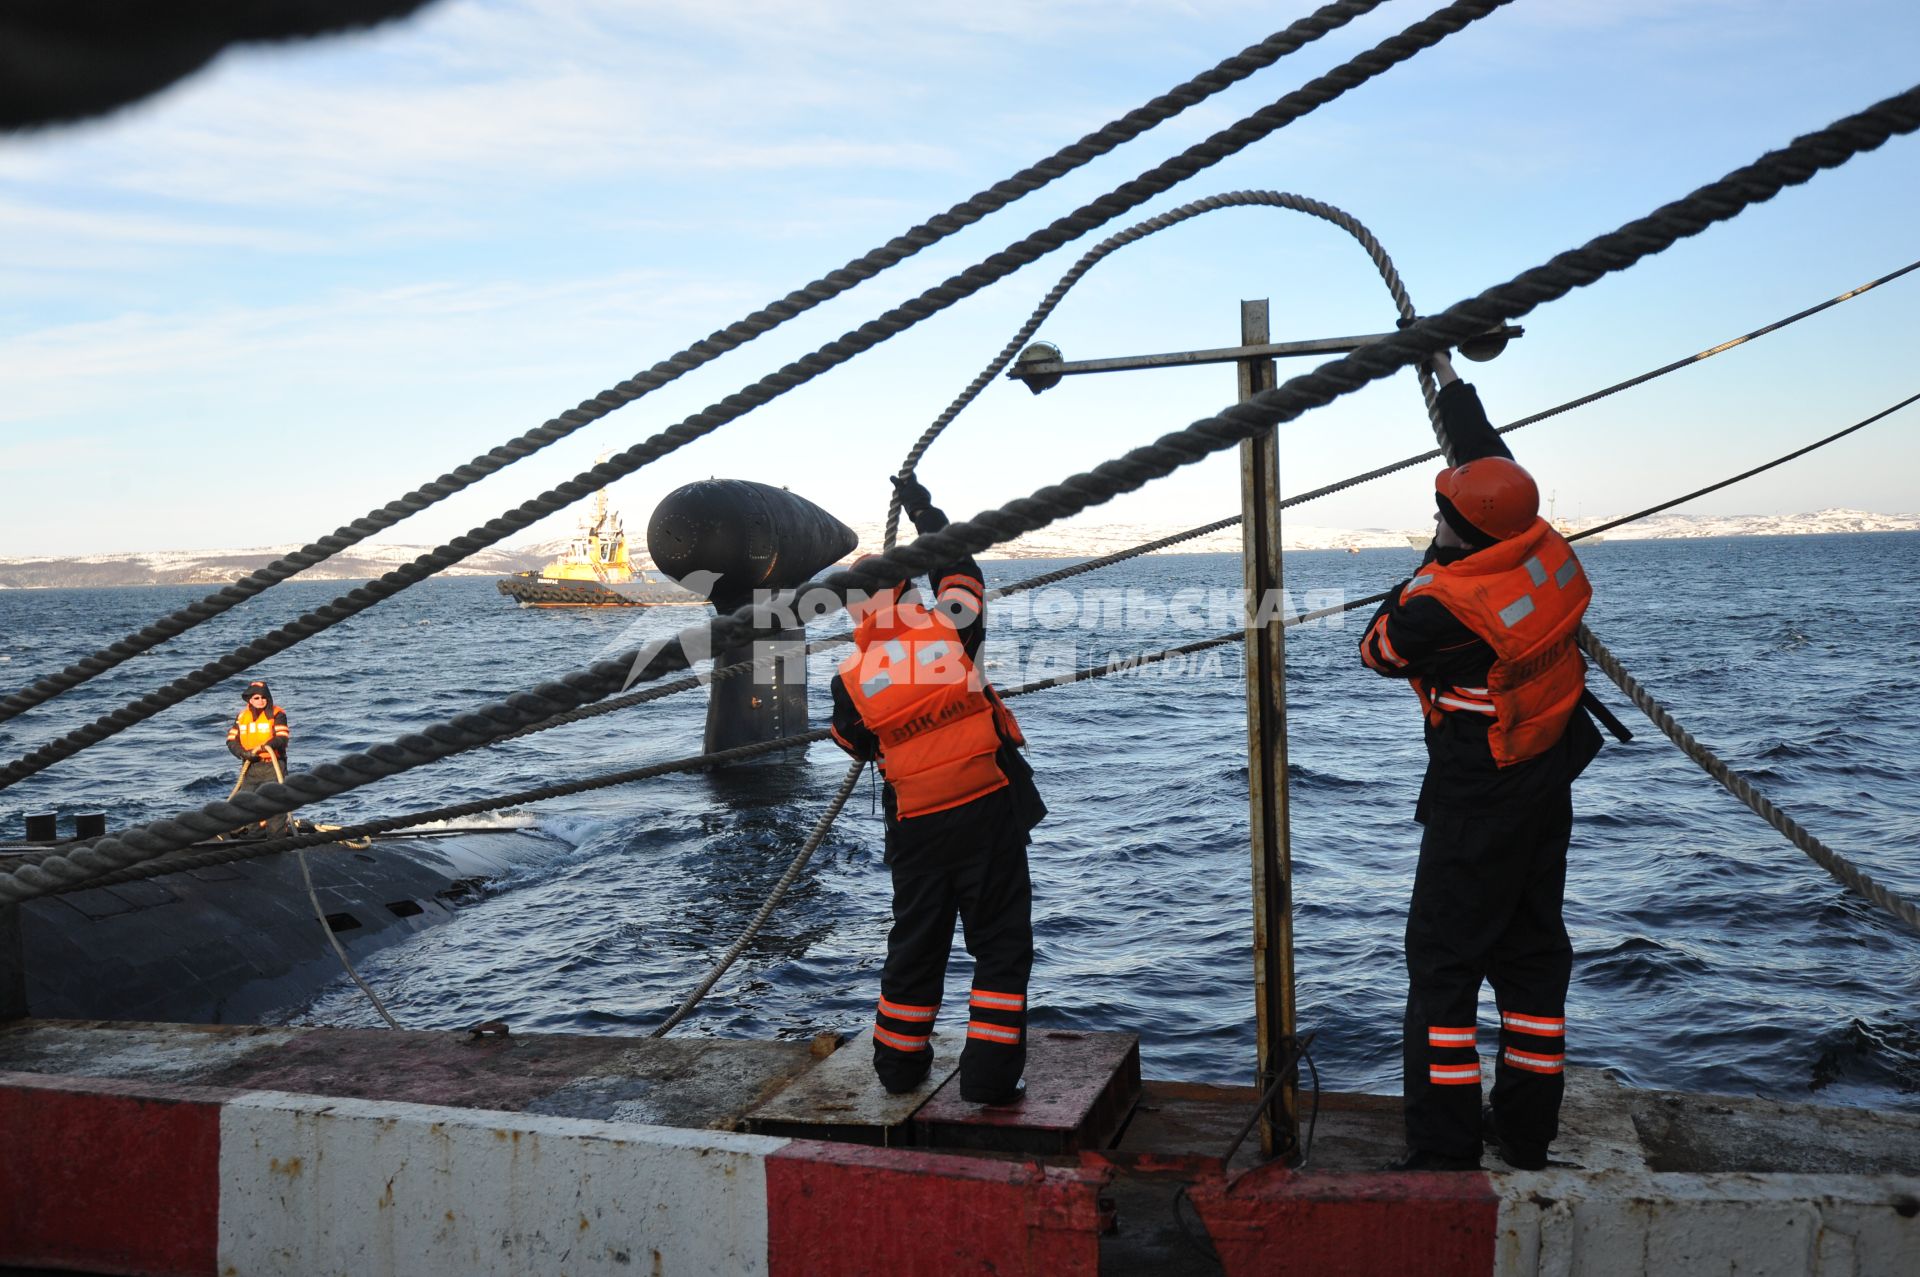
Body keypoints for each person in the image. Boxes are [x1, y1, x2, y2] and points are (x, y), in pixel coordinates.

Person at [1359, 350, 1619, 1172]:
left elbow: (1378, 648)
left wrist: (1430, 565)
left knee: (1443, 963)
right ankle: (1528, 1133)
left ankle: (1442, 1145)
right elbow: (1493, 470)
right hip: (1546, 773)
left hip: (1480, 792)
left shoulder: (1447, 603)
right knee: (1534, 955)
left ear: (1460, 532)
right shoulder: (1536, 541)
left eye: (1443, 518)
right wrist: (1447, 378)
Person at [829, 476, 1046, 1105]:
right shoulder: (951, 630)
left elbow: (855, 744)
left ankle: (898, 1070)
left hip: (916, 829)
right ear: (907, 586)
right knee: (1000, 948)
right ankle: (989, 1081)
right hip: (987, 812)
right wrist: (925, 513)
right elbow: (964, 571)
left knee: (916, 947)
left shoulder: (851, 679)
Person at [226, 679, 290, 837]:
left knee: (275, 806)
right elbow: (231, 740)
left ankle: (277, 840)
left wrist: (265, 746)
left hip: (273, 767)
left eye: (263, 698)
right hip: (251, 767)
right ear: (249, 699)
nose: (260, 701)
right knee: (248, 804)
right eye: (256, 698)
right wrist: (242, 753)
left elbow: (282, 737)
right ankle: (255, 837)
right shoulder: (241, 717)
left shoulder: (277, 714)